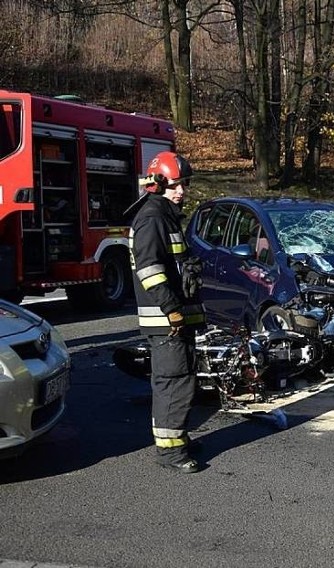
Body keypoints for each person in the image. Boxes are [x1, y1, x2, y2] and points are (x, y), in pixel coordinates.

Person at [129, 151, 206, 473]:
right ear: (157, 185)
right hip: (166, 322)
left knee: (182, 380)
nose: (182, 191)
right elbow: (150, 271)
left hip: (173, 319)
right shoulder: (152, 218)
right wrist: (173, 311)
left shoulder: (164, 215)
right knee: (173, 382)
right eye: (176, 185)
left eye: (184, 184)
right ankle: (170, 452)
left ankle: (178, 438)